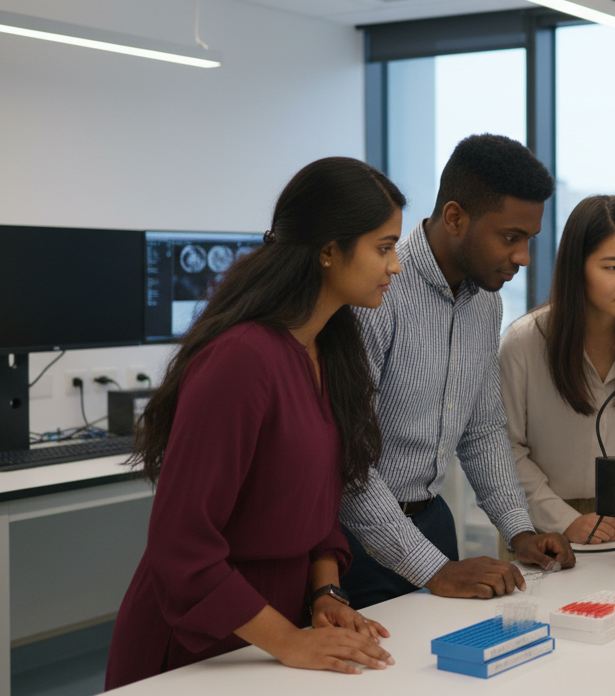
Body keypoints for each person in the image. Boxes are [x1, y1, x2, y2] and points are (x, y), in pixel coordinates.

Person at [106, 158, 404, 688]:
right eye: (383, 247)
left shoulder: (329, 349)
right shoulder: (243, 359)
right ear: (329, 251)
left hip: (276, 628)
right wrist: (288, 641)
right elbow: (181, 547)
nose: (396, 265)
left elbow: (314, 509)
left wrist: (326, 592)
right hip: (202, 639)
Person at [339, 134, 574, 609]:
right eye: (510, 237)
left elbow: (483, 428)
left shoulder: (486, 304)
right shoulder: (376, 296)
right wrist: (435, 569)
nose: (523, 257)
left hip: (432, 524)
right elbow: (348, 466)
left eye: (529, 240)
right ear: (454, 217)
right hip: (354, 538)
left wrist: (519, 529)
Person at [500, 195, 615, 545]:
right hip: (539, 524)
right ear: (577, 267)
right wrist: (565, 520)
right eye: (612, 267)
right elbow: (506, 449)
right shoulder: (524, 341)